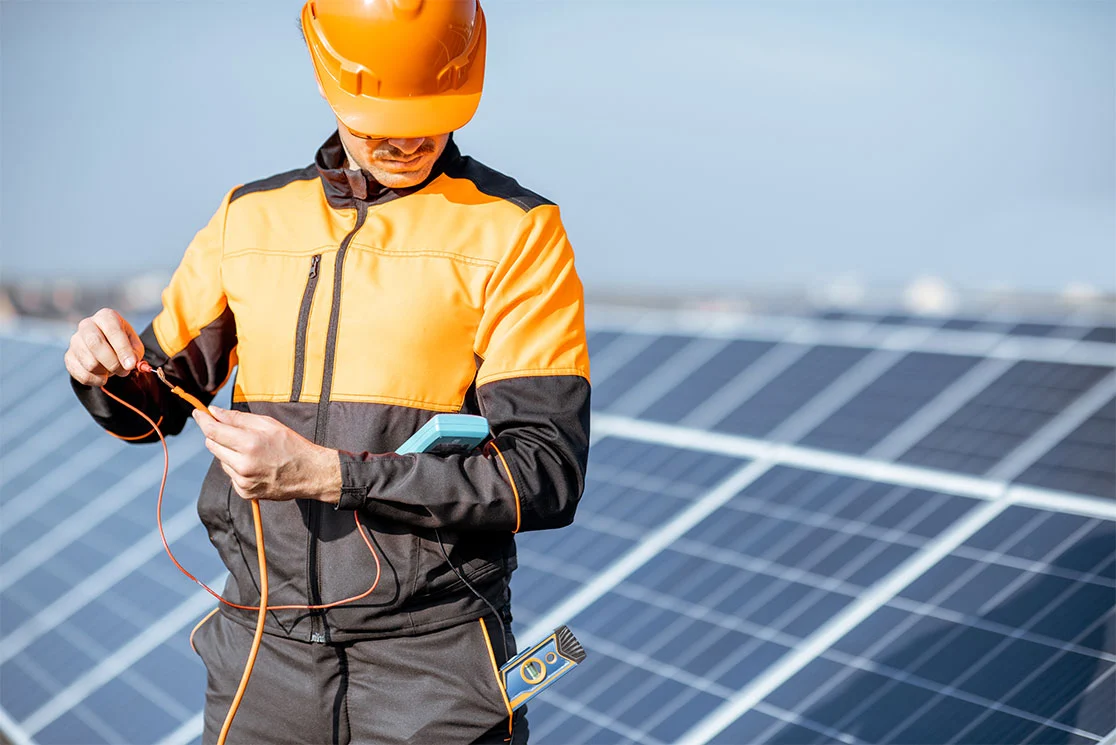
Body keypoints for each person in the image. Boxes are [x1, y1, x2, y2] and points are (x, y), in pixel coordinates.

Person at [63, 1, 591, 742]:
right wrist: (105, 372)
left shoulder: (518, 233)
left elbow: (545, 473)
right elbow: (154, 404)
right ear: (326, 77)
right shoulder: (248, 220)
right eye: (381, 118)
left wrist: (332, 474)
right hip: (261, 657)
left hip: (433, 669)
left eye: (431, 113)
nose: (408, 138)